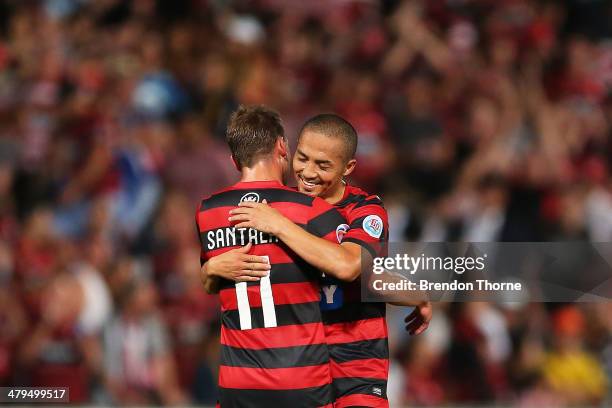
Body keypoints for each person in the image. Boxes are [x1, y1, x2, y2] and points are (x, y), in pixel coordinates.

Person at [204, 113, 432, 407]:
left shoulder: (364, 211)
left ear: (347, 167)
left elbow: (351, 267)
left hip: (355, 365)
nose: (308, 172)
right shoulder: (274, 206)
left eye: (323, 165)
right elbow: (229, 275)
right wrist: (211, 269)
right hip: (292, 363)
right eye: (303, 158)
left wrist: (279, 224)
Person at [195, 105, 349, 407]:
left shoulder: (207, 212)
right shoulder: (313, 211)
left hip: (238, 385)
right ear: (282, 146)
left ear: (234, 160)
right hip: (301, 382)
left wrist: (210, 268)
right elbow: (357, 269)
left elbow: (212, 284)